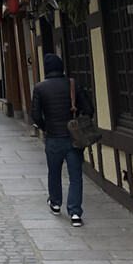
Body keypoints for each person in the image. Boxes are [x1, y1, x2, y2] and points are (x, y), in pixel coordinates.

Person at [31, 53, 94, 227]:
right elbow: (89, 109)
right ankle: (75, 213)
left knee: (54, 172)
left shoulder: (40, 88)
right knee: (75, 175)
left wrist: (46, 127)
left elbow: (35, 114)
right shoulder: (73, 84)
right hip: (73, 138)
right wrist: (78, 124)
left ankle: (55, 203)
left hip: (53, 138)